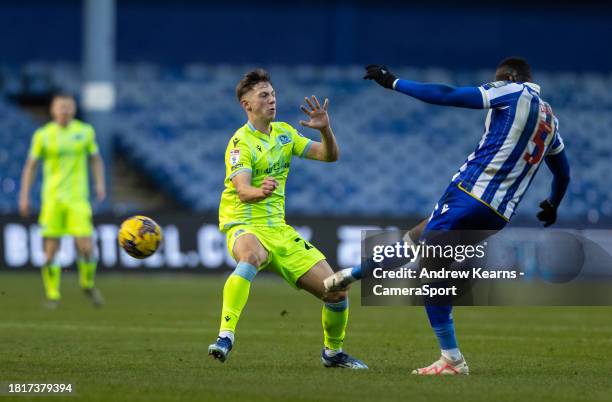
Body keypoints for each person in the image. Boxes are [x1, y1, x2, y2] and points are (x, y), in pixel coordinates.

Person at [325, 57, 571, 375]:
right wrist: (553, 203)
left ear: (509, 77)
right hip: (498, 213)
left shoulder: (512, 92)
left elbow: (449, 94)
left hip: (470, 193)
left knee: (431, 267)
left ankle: (452, 359)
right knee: (418, 240)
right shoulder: (551, 119)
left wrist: (393, 82)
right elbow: (563, 173)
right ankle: (353, 274)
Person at [208, 69, 367, 369]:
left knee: (336, 290)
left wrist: (325, 130)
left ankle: (333, 354)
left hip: (278, 230)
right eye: (263, 96)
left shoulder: (284, 133)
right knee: (251, 255)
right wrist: (259, 190)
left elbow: (329, 156)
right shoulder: (240, 144)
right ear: (247, 104)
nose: (272, 100)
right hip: (244, 222)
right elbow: (242, 190)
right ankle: (225, 336)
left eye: (273, 94)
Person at [19, 93, 106, 308]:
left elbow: (95, 160)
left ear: (74, 110)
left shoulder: (85, 132)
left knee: (85, 246)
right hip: (52, 198)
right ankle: (53, 294)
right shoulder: (43, 135)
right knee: (50, 250)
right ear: (53, 110)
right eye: (61, 107)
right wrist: (24, 194)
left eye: (68, 107)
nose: (65, 111)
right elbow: (31, 165)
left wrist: (100, 183)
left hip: (78, 198)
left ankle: (87, 283)